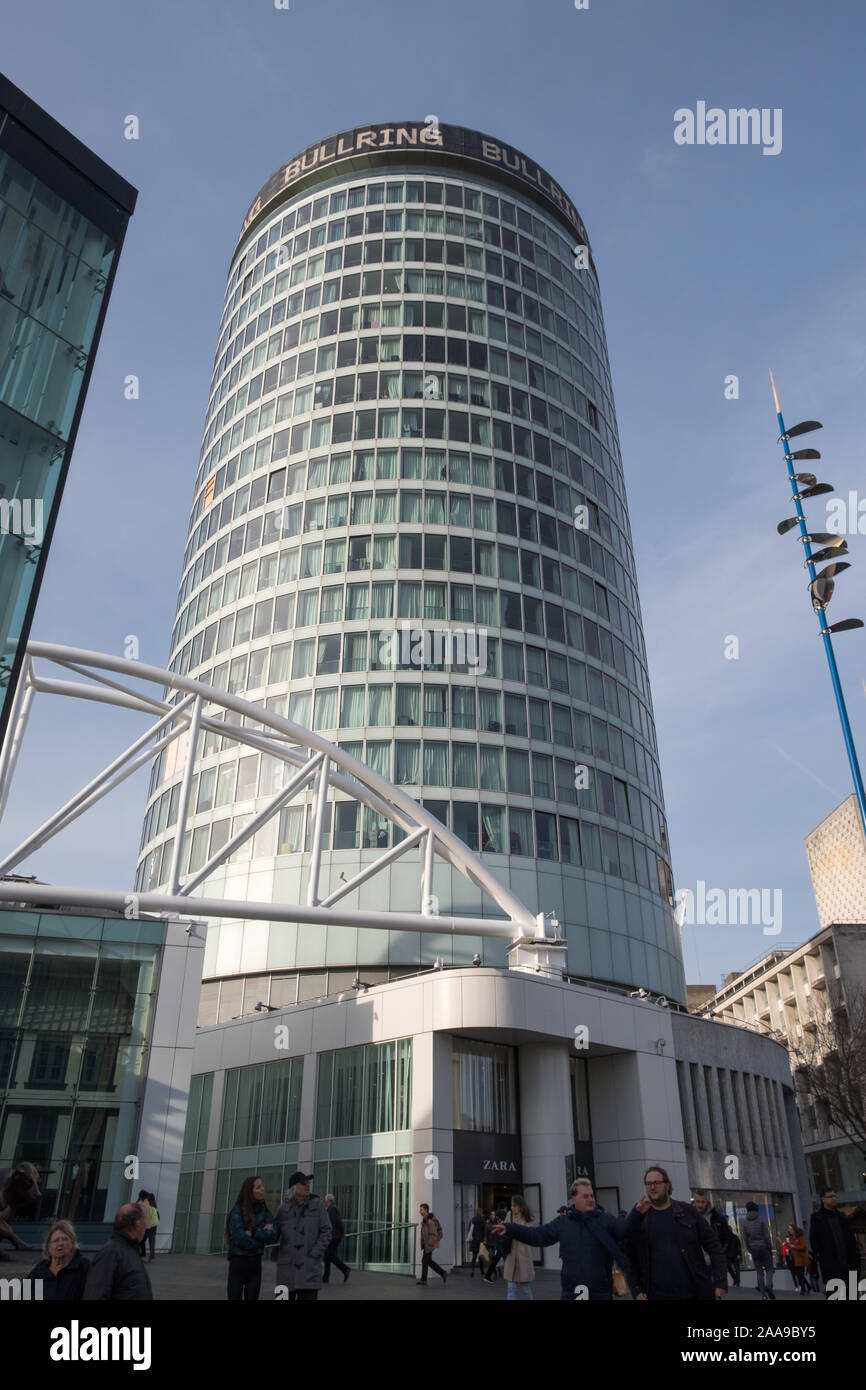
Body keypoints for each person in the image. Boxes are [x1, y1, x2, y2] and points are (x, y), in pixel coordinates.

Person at [493, 1178, 631, 1301]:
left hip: (600, 1292)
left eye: (592, 1196)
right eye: (585, 1196)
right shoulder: (563, 1223)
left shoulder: (605, 1219)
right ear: (574, 1198)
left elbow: (624, 1229)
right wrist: (511, 1228)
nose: (591, 1199)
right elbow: (537, 1235)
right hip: (572, 1292)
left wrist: (637, 1214)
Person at [623, 1166, 726, 1301]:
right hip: (656, 1295)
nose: (652, 1187)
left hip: (694, 1292)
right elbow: (628, 1257)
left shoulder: (688, 1212)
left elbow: (713, 1245)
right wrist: (636, 1290)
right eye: (649, 1184)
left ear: (667, 1185)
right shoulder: (641, 1219)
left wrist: (720, 1281)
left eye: (656, 1183)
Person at [273, 1172, 332, 1300]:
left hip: (309, 1270)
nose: (307, 1186)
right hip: (285, 1271)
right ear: (293, 1188)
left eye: (308, 1183)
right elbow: (273, 1234)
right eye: (303, 1183)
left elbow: (327, 1231)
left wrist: (315, 1253)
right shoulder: (283, 1209)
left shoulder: (318, 1205)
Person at [83, 1204, 153, 1300]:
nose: (147, 1227)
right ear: (137, 1225)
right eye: (145, 1222)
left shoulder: (129, 1250)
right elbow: (95, 1294)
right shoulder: (110, 1253)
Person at [225, 1175, 278, 1301]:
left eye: (262, 1186)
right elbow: (239, 1238)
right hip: (238, 1263)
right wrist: (261, 1240)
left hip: (255, 1265)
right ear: (250, 1191)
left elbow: (273, 1235)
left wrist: (253, 1232)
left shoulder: (265, 1211)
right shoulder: (237, 1211)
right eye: (258, 1187)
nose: (263, 1189)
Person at [809, 1188, 860, 1294]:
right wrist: (821, 1257)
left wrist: (856, 1257)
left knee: (852, 1295)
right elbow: (814, 1240)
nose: (834, 1198)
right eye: (830, 1196)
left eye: (834, 1196)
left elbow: (851, 1240)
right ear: (823, 1199)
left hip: (849, 1264)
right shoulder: (817, 1218)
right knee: (835, 1295)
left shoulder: (842, 1217)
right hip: (831, 1266)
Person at [26, 1220, 89, 1300]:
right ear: (48, 1247)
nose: (60, 1243)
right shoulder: (39, 1271)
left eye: (65, 1239)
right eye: (56, 1240)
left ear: (72, 1243)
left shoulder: (83, 1267)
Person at [502, 1194, 535, 1300]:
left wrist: (512, 1229)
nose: (511, 1207)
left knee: (525, 1288)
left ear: (520, 1206)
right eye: (511, 1205)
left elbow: (527, 1234)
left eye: (513, 1205)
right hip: (511, 1255)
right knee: (511, 1288)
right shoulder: (509, 1215)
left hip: (523, 1255)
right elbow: (506, 1230)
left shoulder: (528, 1218)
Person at [741, 1202, 776, 1300]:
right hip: (764, 1247)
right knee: (769, 1269)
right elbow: (767, 1237)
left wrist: (749, 1249)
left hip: (754, 1249)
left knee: (759, 1272)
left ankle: (764, 1295)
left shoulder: (744, 1222)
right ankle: (769, 1286)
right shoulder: (761, 1221)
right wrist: (770, 1247)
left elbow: (745, 1238)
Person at [322, 1194, 350, 1284]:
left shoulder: (333, 1209)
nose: (325, 1202)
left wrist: (342, 1233)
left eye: (325, 1200)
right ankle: (325, 1278)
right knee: (327, 1256)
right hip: (332, 1236)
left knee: (329, 1255)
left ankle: (345, 1269)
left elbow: (338, 1222)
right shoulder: (330, 1209)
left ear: (328, 1200)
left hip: (335, 1236)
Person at [417, 1203, 447, 1285]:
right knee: (428, 1261)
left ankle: (424, 1280)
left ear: (426, 1210)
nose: (420, 1211)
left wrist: (429, 1244)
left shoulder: (430, 1221)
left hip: (429, 1245)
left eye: (421, 1209)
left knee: (424, 1261)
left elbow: (433, 1234)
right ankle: (443, 1273)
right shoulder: (425, 1220)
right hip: (427, 1244)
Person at [787, 1224, 810, 1295]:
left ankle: (803, 1290)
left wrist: (793, 1246)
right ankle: (808, 1286)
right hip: (794, 1259)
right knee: (799, 1275)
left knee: (800, 1275)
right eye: (789, 1229)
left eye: (791, 1229)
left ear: (794, 1229)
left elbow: (803, 1247)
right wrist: (789, 1248)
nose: (789, 1230)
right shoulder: (791, 1237)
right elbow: (792, 1247)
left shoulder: (800, 1236)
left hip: (801, 1258)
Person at [467, 1207, 486, 1278]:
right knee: (481, 1257)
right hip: (480, 1241)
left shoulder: (472, 1220)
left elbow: (468, 1230)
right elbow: (484, 1231)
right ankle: (482, 1272)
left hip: (473, 1241)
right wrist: (484, 1239)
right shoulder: (482, 1220)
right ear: (480, 1213)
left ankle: (472, 1270)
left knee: (474, 1257)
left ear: (475, 1212)